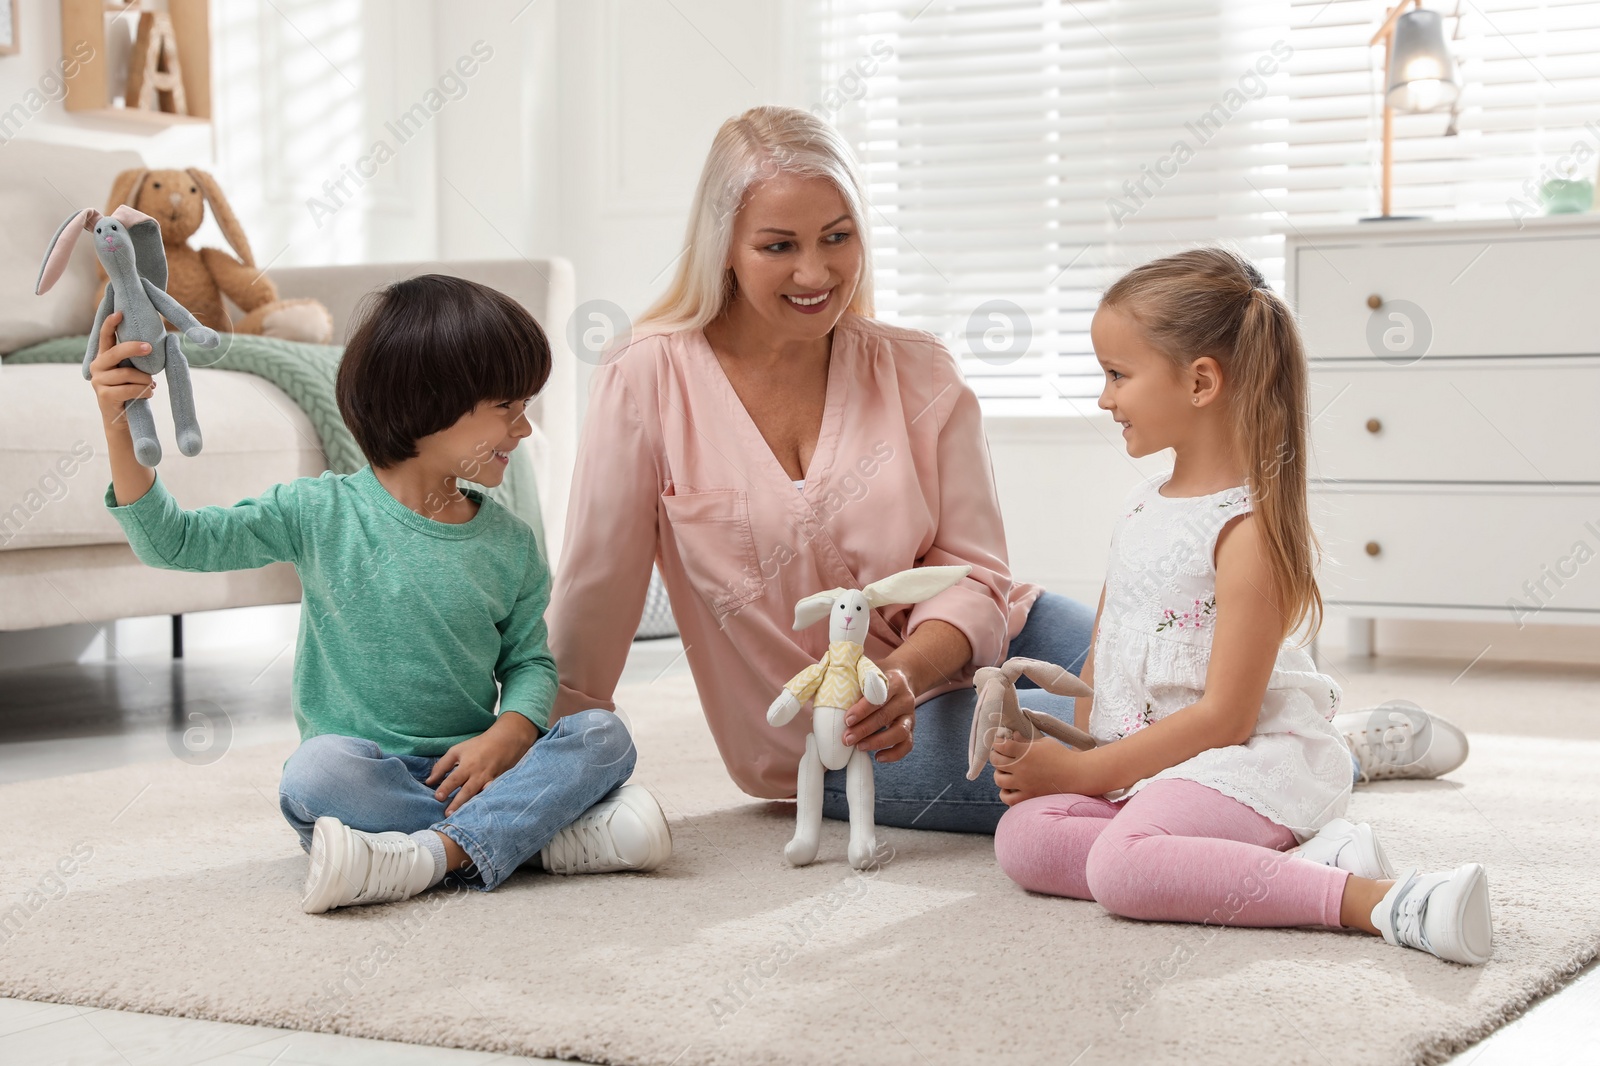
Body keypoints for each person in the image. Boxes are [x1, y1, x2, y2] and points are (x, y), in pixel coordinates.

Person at [546, 105, 1466, 840]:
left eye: (837, 236)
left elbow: (979, 576)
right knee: (1104, 778)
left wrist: (906, 672)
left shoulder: (919, 372)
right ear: (724, 247)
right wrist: (551, 749)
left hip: (981, 644)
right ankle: (1328, 760)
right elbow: (595, 600)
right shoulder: (647, 378)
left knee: (1186, 683)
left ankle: (1321, 739)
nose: (815, 271)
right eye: (778, 245)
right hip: (832, 733)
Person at [90, 275, 671, 914]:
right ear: (429, 402)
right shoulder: (317, 512)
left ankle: (426, 856)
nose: (525, 429)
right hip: (366, 779)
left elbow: (529, 662)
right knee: (314, 775)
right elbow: (175, 543)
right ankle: (530, 836)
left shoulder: (509, 543)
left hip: (476, 771)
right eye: (508, 406)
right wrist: (121, 426)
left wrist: (510, 731)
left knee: (602, 737)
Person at [989, 248, 1492, 964]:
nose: (1104, 399)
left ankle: (1372, 900)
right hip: (1146, 769)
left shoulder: (1245, 532)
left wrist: (1082, 778)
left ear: (1199, 382)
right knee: (1025, 840)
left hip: (1239, 762)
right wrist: (1076, 756)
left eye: (1117, 375)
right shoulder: (1139, 511)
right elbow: (1105, 655)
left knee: (1122, 867)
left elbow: (1225, 718)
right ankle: (1314, 857)